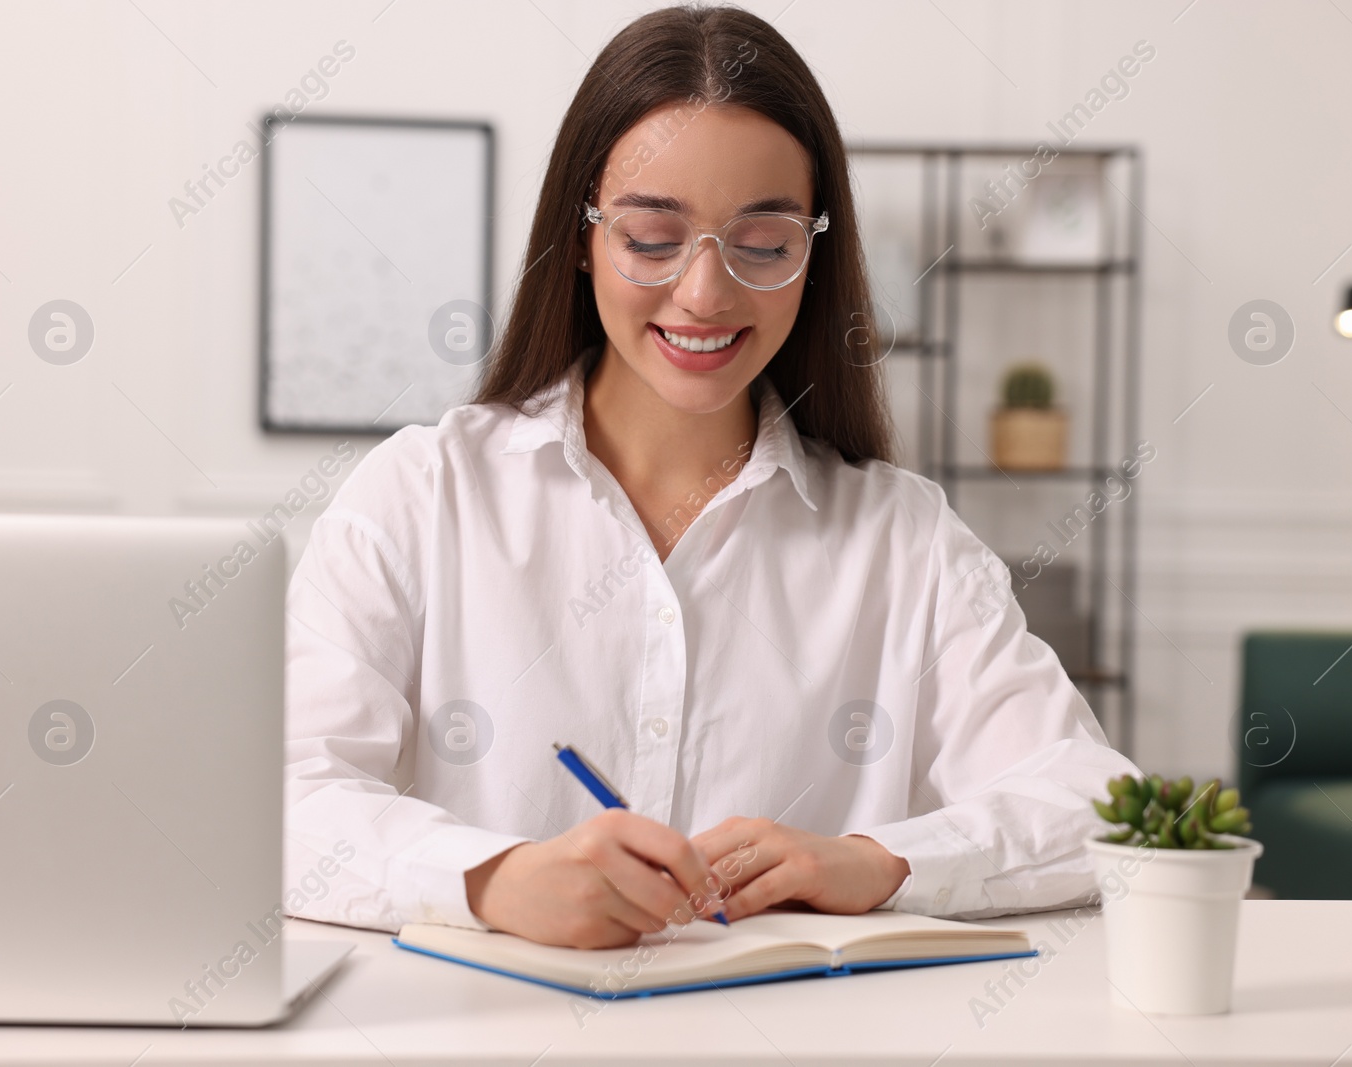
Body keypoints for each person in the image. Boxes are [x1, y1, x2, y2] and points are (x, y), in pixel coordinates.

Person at [283, 3, 1141, 951]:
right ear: (582, 237)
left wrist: (882, 862)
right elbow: (282, 796)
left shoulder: (904, 540)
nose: (705, 291)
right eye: (653, 235)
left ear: (814, 256)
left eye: (763, 243)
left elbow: (1099, 807)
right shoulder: (419, 496)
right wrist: (489, 878)